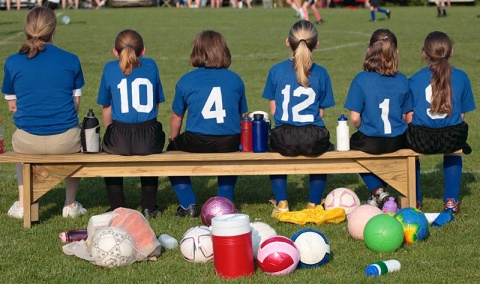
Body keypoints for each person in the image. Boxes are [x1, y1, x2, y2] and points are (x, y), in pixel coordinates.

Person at [2, 7, 87, 219]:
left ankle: (24, 204)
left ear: (26, 29)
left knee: (18, 144)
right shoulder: (71, 59)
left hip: (27, 140)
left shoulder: (13, 61)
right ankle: (70, 204)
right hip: (66, 140)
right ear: (53, 30)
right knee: (79, 142)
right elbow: (76, 104)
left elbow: (12, 106)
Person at [168, 30, 248, 218]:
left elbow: (176, 117)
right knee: (228, 156)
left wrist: (174, 138)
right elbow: (241, 114)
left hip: (197, 139)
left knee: (171, 155)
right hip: (229, 139)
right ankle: (224, 200)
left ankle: (188, 204)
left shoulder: (186, 80)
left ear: (197, 52)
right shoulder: (235, 79)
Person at [262, 20, 335, 215]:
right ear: (316, 44)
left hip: (284, 135)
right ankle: (313, 203)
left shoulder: (276, 70)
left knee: (273, 151)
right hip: (313, 135)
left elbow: (274, 110)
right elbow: (320, 112)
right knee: (323, 152)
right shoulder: (322, 73)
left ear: (288, 42)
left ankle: (282, 202)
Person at [97, 29, 166, 218]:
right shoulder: (151, 65)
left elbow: (106, 106)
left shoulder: (110, 68)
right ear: (143, 50)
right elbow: (156, 102)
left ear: (115, 51)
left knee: (109, 153)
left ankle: (117, 205)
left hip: (120, 134)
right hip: (149, 135)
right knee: (151, 150)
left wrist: (111, 131)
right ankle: (149, 205)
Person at [406, 31, 475, 214]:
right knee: (454, 152)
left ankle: (415, 201)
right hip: (451, 137)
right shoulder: (461, 77)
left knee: (411, 152)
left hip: (421, 139)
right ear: (451, 52)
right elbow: (461, 116)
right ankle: (451, 201)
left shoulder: (414, 79)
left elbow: (409, 115)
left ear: (424, 54)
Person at [344, 29, 413, 209]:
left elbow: (354, 118)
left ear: (369, 51)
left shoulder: (361, 79)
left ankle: (378, 191)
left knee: (350, 149)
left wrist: (362, 127)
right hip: (398, 140)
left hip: (371, 141)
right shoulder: (403, 79)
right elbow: (409, 117)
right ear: (395, 53)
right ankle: (379, 196)